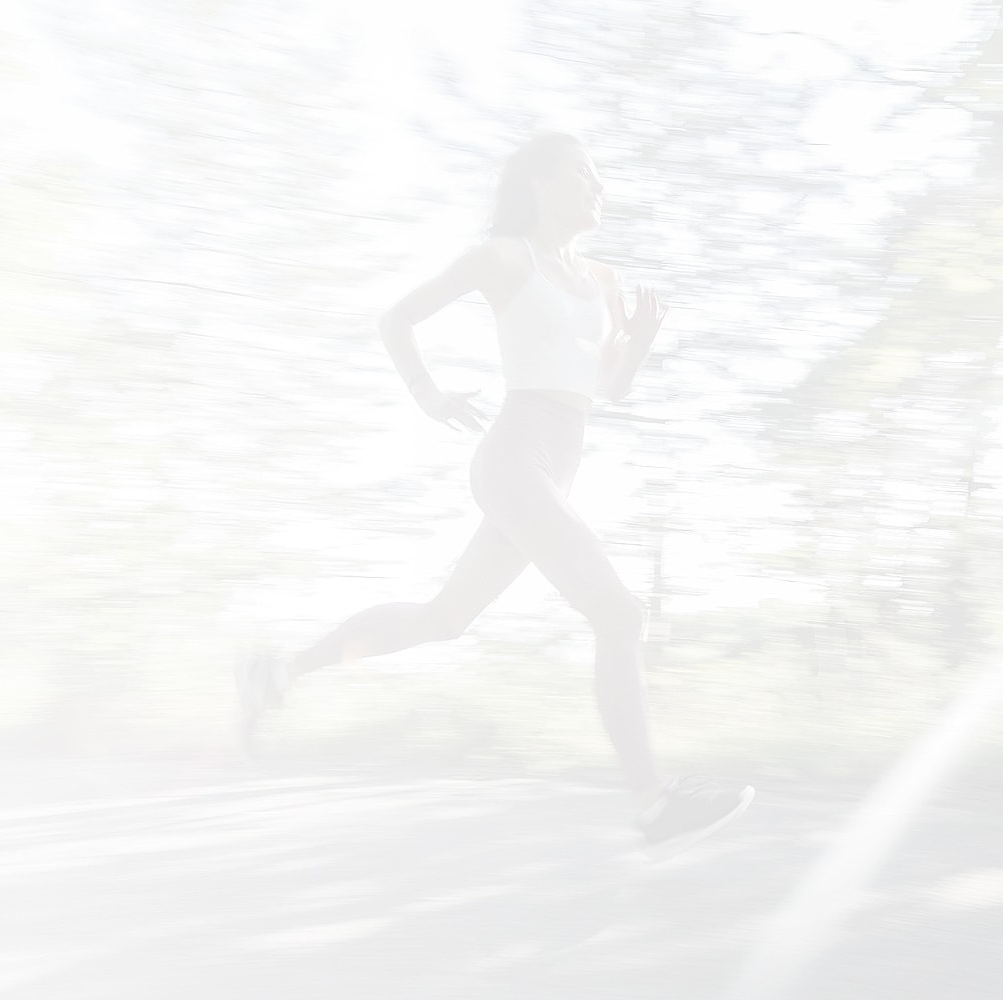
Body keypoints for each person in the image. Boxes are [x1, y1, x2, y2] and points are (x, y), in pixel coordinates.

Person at [236, 130, 753, 853]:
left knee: (445, 617)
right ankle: (652, 800)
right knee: (620, 612)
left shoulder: (601, 280)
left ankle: (280, 670)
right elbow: (398, 318)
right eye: (585, 175)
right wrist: (428, 393)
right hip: (513, 460)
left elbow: (607, 388)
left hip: (554, 464)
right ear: (541, 183)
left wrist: (638, 345)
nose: (599, 190)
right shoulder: (504, 259)